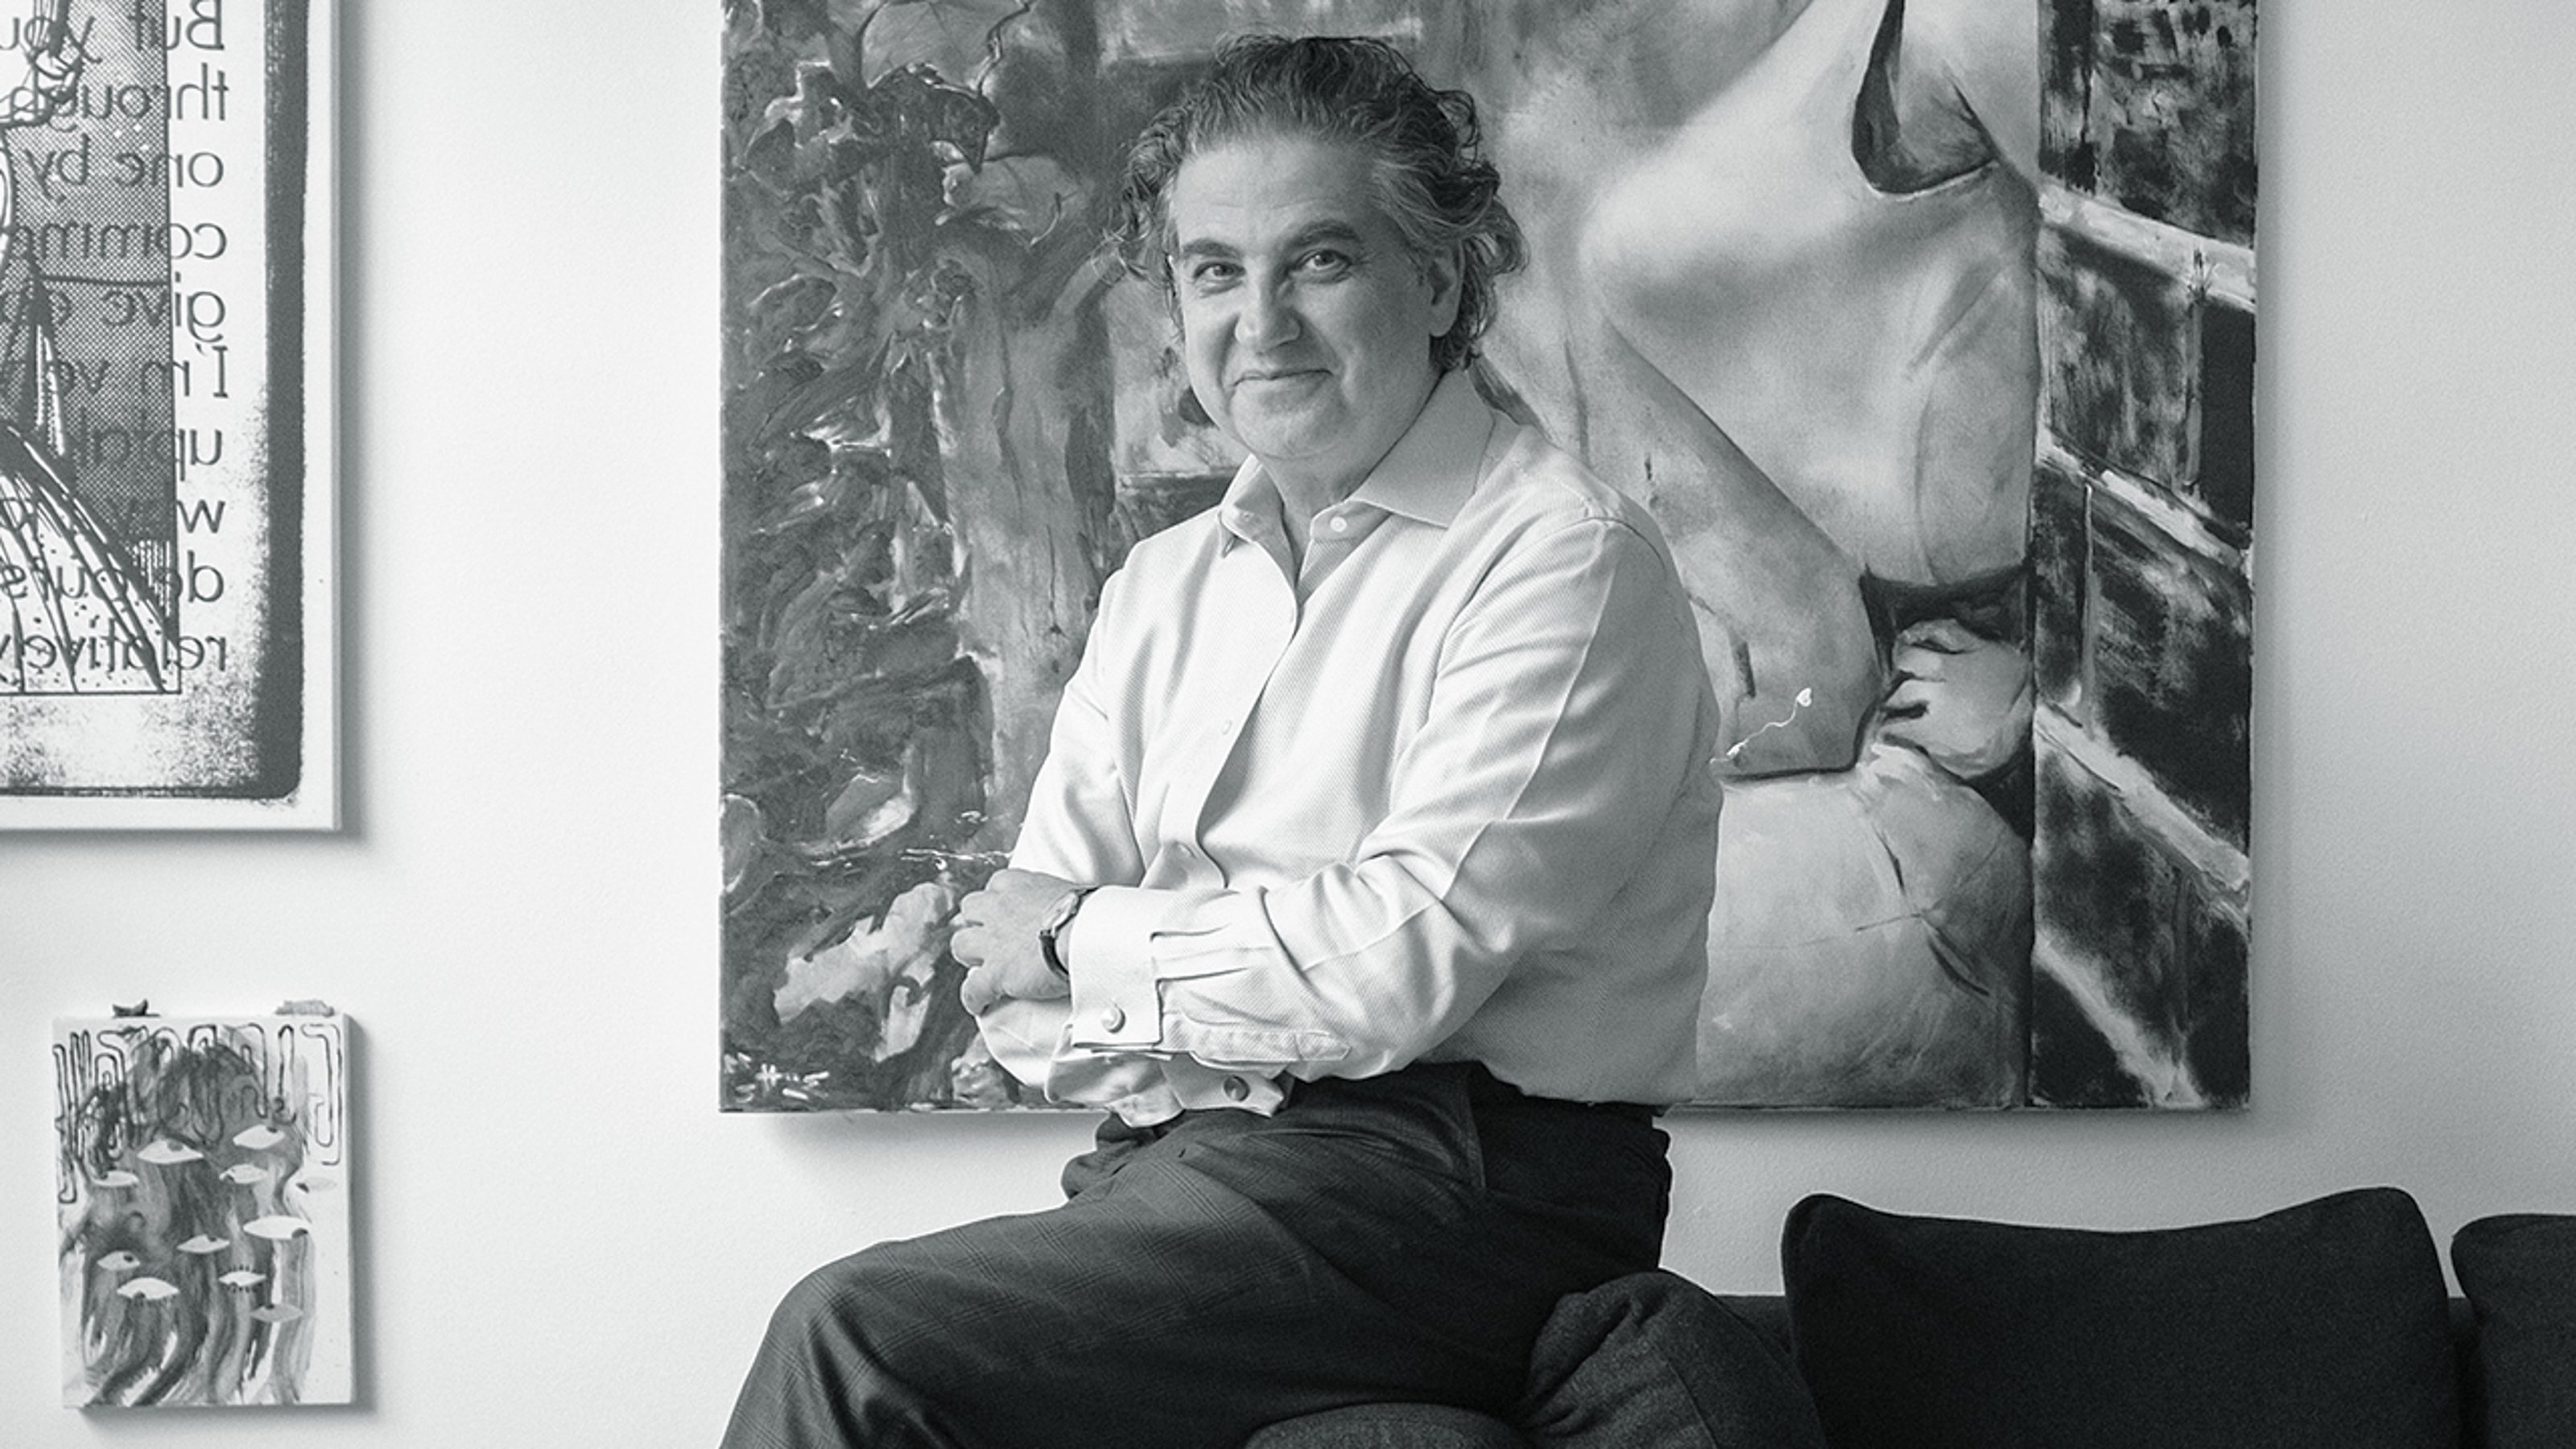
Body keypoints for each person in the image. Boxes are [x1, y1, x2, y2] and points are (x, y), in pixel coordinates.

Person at [721, 33, 1723, 1449]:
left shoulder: (1565, 563)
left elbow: (1393, 964)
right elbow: (1017, 1007)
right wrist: (1167, 986)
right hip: (1174, 1171)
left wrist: (1098, 951)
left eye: (1318, 260)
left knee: (861, 1337)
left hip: (1470, 1195)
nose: (1260, 322)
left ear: (1436, 279)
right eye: (1213, 271)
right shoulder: (1167, 583)